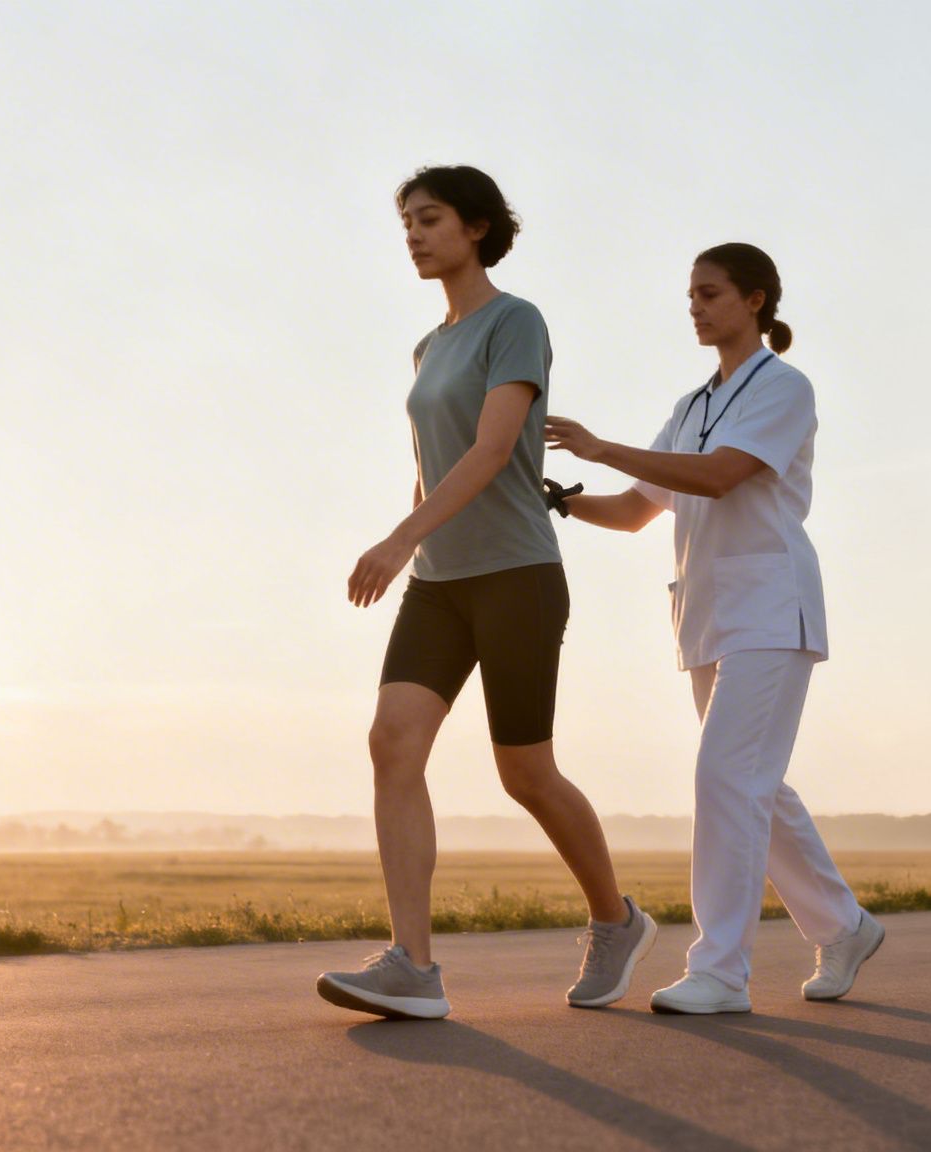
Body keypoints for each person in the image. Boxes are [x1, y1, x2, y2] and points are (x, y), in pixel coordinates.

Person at [314, 165, 657, 1020]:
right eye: (406, 224)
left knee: (526, 773)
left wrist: (400, 536)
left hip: (515, 576)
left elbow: (496, 449)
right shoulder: (428, 348)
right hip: (439, 584)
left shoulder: (516, 322)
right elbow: (433, 463)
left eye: (429, 220)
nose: (414, 236)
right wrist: (415, 542)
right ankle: (412, 968)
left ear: (475, 228)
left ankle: (616, 920)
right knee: (393, 743)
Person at [542, 242, 883, 1014]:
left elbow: (723, 475)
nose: (695, 307)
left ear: (756, 300)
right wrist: (556, 500)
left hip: (771, 606)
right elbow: (636, 510)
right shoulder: (691, 406)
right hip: (706, 614)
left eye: (710, 293)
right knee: (754, 784)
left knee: (726, 777)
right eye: (690, 296)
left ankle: (721, 971)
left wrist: (601, 445)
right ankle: (844, 925)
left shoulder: (785, 387)